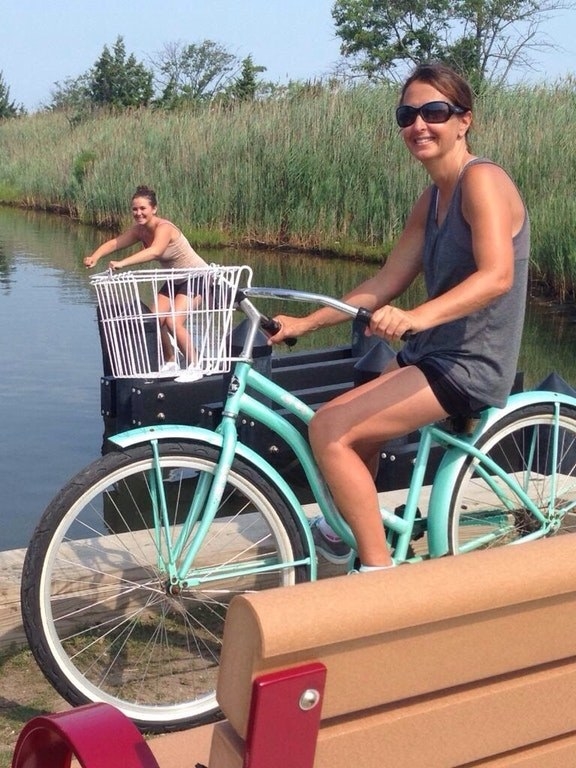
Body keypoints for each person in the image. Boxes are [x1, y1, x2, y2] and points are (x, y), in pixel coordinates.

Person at [269, 62, 530, 573]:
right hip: (432, 354)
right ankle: (350, 530)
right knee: (349, 430)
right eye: (407, 114)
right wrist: (304, 323)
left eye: (434, 111)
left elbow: (497, 276)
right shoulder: (430, 198)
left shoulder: (484, 182)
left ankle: (376, 572)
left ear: (464, 120)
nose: (419, 125)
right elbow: (386, 280)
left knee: (329, 429)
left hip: (469, 363)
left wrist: (414, 317)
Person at [84, 185, 208, 375]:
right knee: (153, 320)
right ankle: (170, 361)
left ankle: (197, 365)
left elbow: (155, 251)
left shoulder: (164, 228)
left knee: (173, 322)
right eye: (135, 209)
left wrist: (123, 263)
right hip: (175, 280)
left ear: (154, 209)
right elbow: (115, 243)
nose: (138, 213)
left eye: (143, 209)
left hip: (198, 278)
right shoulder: (139, 231)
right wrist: (95, 256)